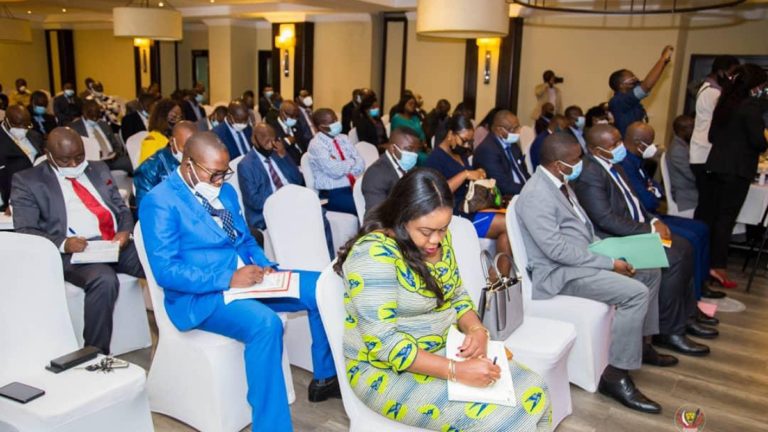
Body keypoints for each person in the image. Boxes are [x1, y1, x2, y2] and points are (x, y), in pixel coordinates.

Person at [139, 131, 340, 431]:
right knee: (266, 324)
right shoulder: (161, 201)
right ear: (189, 163)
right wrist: (229, 278)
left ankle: (326, 376)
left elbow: (244, 240)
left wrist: (263, 265)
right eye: (215, 174)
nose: (221, 181)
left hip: (248, 280)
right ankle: (271, 426)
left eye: (224, 173)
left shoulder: (225, 192)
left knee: (323, 286)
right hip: (202, 297)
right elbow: (167, 271)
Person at [336, 167, 552, 430]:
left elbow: (456, 293)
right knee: (501, 422)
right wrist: (456, 371)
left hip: (445, 347)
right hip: (384, 370)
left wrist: (476, 329)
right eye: (426, 231)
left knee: (536, 390)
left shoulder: (437, 237)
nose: (436, 240)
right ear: (401, 218)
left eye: (443, 228)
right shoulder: (372, 254)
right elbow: (384, 344)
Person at [517, 132, 668, 414]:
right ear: (557, 164)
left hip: (585, 256)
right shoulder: (537, 194)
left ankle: (640, 344)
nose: (581, 164)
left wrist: (614, 250)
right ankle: (616, 375)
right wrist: (609, 262)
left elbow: (581, 230)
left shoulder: (561, 181)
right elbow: (556, 252)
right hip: (561, 273)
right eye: (575, 160)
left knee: (649, 270)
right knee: (636, 292)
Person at [573, 124, 714, 355]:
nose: (621, 147)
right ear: (596, 150)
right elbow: (606, 219)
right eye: (614, 145)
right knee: (675, 256)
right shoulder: (590, 173)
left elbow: (635, 201)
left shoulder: (614, 164)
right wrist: (648, 230)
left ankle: (685, 315)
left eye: (620, 141)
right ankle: (669, 331)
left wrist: (653, 221)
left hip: (635, 230)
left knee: (685, 247)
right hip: (612, 240)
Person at [11, 127, 144, 354]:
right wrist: (64, 242)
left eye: (79, 157)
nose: (74, 165)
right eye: (65, 160)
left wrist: (125, 232)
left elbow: (121, 209)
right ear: (48, 154)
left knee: (156, 261)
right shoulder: (28, 181)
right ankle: (94, 354)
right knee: (104, 279)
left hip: (113, 243)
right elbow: (25, 231)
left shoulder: (99, 168)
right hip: (72, 251)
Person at [621, 121, 721, 303]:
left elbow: (656, 190)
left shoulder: (638, 160)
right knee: (689, 239)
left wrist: (652, 191)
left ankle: (701, 284)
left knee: (701, 228)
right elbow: (648, 199)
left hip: (652, 214)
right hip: (645, 218)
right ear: (637, 142)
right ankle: (692, 299)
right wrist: (651, 192)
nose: (653, 146)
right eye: (649, 142)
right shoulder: (625, 163)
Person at [697, 64, 768, 289]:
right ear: (756, 85)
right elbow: (758, 141)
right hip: (737, 170)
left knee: (710, 217)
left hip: (715, 165)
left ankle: (703, 263)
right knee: (725, 220)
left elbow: (712, 135)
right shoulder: (751, 106)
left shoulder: (725, 103)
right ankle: (718, 267)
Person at [423, 114, 514, 273]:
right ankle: (497, 280)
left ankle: (499, 281)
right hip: (455, 215)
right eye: (464, 140)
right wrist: (465, 174)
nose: (466, 145)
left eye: (469, 141)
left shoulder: (461, 154)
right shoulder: (435, 159)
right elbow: (436, 193)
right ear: (451, 134)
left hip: (470, 208)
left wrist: (477, 173)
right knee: (507, 224)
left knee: (509, 228)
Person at [238, 122, 303, 235]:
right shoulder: (246, 165)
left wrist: (284, 157)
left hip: (292, 201)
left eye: (273, 140)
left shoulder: (277, 152)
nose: (270, 145)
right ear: (254, 140)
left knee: (319, 215)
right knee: (297, 224)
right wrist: (281, 203)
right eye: (266, 141)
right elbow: (254, 201)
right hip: (267, 212)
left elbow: (298, 180)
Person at [689, 55, 740, 195]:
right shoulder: (712, 92)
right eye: (731, 74)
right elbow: (722, 122)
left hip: (702, 151)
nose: (732, 79)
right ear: (721, 72)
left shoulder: (708, 88)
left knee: (707, 200)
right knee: (708, 200)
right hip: (704, 152)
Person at [308, 108, 365, 215]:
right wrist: (352, 161)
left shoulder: (344, 138)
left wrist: (344, 164)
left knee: (376, 203)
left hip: (353, 186)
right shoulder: (317, 145)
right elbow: (335, 171)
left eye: (335, 119)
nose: (336, 123)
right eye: (331, 122)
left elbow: (361, 163)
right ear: (321, 127)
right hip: (332, 192)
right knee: (363, 207)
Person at [608, 45, 674, 137]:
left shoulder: (630, 99)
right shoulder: (618, 101)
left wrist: (664, 63)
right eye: (631, 78)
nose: (635, 79)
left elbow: (648, 83)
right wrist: (662, 59)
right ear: (621, 85)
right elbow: (646, 86)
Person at [133, 121, 197, 209]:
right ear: (172, 142)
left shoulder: (203, 157)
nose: (191, 153)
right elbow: (148, 210)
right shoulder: (150, 170)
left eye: (195, 148)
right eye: (185, 148)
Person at [361, 126, 421, 215]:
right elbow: (376, 217)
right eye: (409, 149)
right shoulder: (376, 174)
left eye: (416, 151)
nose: (414, 155)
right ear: (393, 148)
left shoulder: (411, 168)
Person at [473, 110, 530, 196]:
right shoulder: (487, 150)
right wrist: (529, 190)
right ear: (500, 130)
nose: (518, 132)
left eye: (519, 127)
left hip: (522, 193)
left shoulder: (513, 145)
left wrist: (534, 186)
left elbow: (523, 172)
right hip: (504, 198)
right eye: (514, 129)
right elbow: (502, 186)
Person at [0, 105, 43, 211]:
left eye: (25, 125)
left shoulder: (34, 136)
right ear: (6, 121)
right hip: (13, 199)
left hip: (40, 193)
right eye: (17, 125)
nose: (22, 129)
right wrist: (5, 204)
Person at [70, 100, 131, 174]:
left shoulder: (103, 124)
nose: (95, 119)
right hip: (94, 163)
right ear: (84, 114)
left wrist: (116, 153)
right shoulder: (75, 128)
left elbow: (115, 144)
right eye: (92, 116)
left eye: (97, 115)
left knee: (132, 163)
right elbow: (75, 153)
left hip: (113, 159)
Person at [667, 115, 699, 214]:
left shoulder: (682, 145)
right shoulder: (678, 149)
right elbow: (692, 176)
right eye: (692, 127)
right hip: (685, 195)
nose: (695, 130)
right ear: (682, 130)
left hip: (688, 190)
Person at [138, 98, 182, 166]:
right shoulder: (151, 140)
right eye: (174, 116)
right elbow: (148, 169)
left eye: (180, 117)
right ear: (162, 116)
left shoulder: (176, 138)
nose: (178, 120)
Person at [266, 100, 304, 165]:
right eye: (292, 116)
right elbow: (273, 149)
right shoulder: (271, 129)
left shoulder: (297, 126)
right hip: (288, 164)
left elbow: (303, 144)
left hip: (303, 162)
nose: (295, 119)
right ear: (282, 113)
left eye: (297, 116)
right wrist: (287, 141)